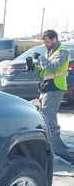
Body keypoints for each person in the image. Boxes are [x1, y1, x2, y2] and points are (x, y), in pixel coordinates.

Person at [32, 30, 73, 164]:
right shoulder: (50, 52)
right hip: (47, 87)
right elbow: (45, 72)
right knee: (44, 116)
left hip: (55, 88)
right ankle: (53, 147)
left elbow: (53, 67)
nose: (45, 44)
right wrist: (34, 68)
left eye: (47, 42)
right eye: (44, 42)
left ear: (54, 40)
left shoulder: (62, 51)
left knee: (49, 118)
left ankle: (59, 150)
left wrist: (40, 59)